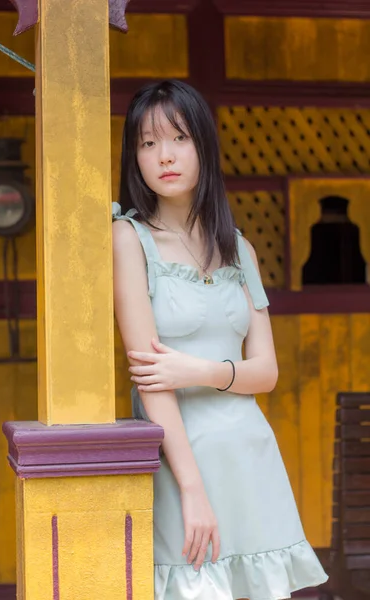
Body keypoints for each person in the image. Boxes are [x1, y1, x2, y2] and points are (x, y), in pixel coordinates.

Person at [112, 79, 328, 600]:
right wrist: (191, 490)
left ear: (203, 145)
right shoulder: (129, 239)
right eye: (147, 143)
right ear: (134, 157)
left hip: (249, 455)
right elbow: (151, 381)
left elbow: (268, 372)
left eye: (178, 138)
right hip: (179, 462)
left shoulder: (241, 250)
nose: (163, 155)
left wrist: (201, 371)